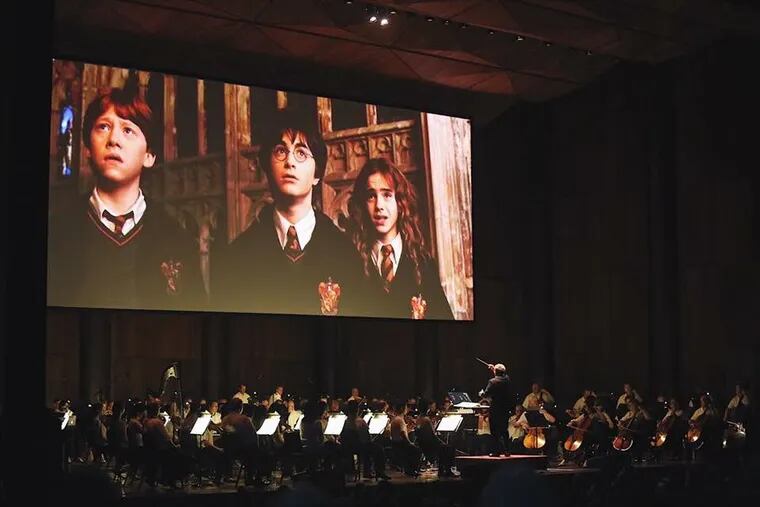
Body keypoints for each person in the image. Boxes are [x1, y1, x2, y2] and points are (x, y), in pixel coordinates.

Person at [48, 83, 203, 311]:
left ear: (149, 156)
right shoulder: (56, 232)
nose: (113, 140)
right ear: (87, 149)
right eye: (103, 127)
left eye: (128, 130)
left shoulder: (178, 238)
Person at [213, 110, 364, 316]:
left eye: (301, 153)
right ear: (267, 167)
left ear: (317, 175)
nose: (290, 162)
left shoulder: (346, 255)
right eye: (280, 151)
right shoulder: (235, 258)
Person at [347, 158, 454, 320]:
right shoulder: (351, 262)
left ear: (400, 202)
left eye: (387, 195)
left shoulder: (423, 264)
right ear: (362, 204)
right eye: (371, 196)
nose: (379, 206)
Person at [479, 362, 512, 456]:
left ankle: (496, 451)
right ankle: (507, 451)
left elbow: (486, 394)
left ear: (495, 372)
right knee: (504, 430)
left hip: (495, 409)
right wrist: (494, 369)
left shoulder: (492, 381)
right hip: (505, 409)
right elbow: (504, 375)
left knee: (494, 431)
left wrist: (481, 394)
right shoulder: (507, 380)